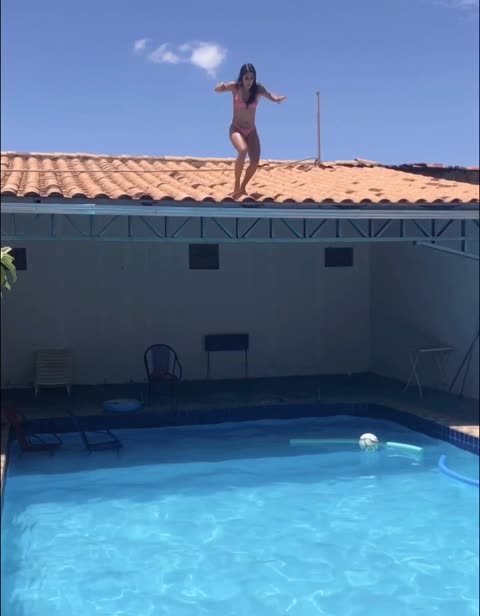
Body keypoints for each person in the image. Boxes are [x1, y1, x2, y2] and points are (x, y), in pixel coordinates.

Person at [215, 63, 286, 198]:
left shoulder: (258, 89)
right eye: (246, 78)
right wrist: (220, 87)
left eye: (251, 78)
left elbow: (270, 95)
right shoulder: (235, 87)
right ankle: (236, 184)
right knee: (242, 150)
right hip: (236, 128)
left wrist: (277, 99)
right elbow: (219, 89)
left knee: (254, 161)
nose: (249, 81)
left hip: (251, 130)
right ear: (241, 78)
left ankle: (243, 187)